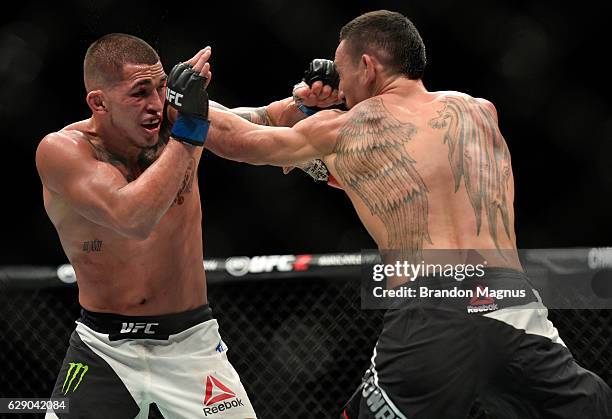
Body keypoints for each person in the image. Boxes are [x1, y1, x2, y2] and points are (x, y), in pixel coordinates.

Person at [205, 10, 612, 419]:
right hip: (515, 305)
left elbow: (241, 138)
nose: (342, 91)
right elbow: (397, 175)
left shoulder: (346, 130)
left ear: (367, 67)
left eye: (344, 77)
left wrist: (180, 101)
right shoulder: (480, 112)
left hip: (432, 309)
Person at [35, 33, 318, 419]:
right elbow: (132, 217)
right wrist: (189, 132)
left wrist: (304, 104)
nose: (155, 105)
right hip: (103, 349)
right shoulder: (63, 151)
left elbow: (255, 128)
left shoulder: (179, 116)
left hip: (192, 344)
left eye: (162, 87)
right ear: (98, 102)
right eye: (139, 93)